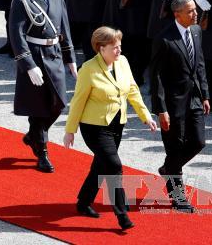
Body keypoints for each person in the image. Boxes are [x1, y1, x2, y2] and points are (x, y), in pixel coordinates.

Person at [63, 26, 157, 230]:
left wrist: (145, 115)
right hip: (94, 127)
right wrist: (70, 130)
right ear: (101, 48)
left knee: (101, 166)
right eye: (114, 47)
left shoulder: (122, 62)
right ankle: (122, 214)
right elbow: (77, 101)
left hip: (117, 124)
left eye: (119, 46)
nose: (119, 51)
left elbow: (132, 90)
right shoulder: (88, 69)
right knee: (114, 166)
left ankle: (83, 202)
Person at [9, 0, 77, 173]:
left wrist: (70, 57)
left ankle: (34, 135)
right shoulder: (23, 0)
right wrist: (28, 64)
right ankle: (42, 152)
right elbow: (16, 34)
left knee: (58, 103)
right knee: (38, 106)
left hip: (54, 54)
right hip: (36, 55)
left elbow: (64, 28)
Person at [150, 0, 210, 212]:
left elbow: (199, 63)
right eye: (190, 11)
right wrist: (161, 109)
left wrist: (205, 94)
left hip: (193, 98)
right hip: (172, 104)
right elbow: (155, 78)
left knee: (198, 142)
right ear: (177, 14)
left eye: (195, 9)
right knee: (174, 148)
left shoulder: (196, 31)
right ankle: (178, 197)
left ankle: (169, 168)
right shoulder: (164, 39)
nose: (196, 14)